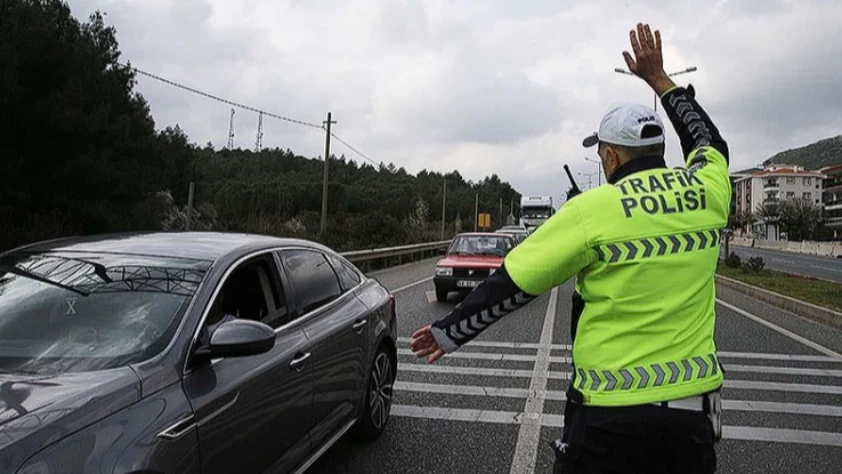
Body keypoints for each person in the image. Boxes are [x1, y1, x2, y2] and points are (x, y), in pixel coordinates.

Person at [410, 22, 729, 473]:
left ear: (611, 157)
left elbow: (515, 282)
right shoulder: (707, 192)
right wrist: (661, 80)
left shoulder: (594, 209)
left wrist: (451, 330)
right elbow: (708, 141)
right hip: (691, 423)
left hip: (609, 420)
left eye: (601, 153)